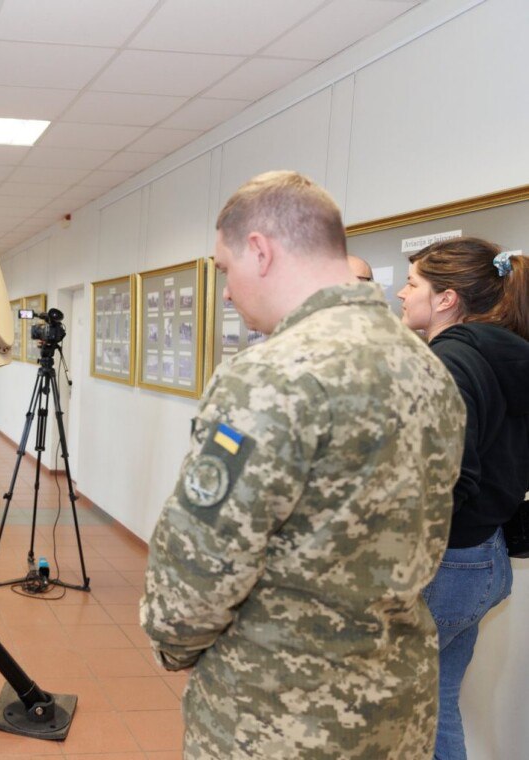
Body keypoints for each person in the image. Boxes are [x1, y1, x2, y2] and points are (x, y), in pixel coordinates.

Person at [141, 171, 467, 759]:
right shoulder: (426, 367)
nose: (228, 291)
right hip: (398, 707)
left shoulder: (271, 375)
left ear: (260, 250)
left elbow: (203, 555)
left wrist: (173, 642)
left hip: (279, 716)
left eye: (224, 269)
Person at [397, 238, 529, 760]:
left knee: (394, 713)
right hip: (485, 557)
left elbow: (447, 482)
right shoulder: (508, 354)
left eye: (412, 284)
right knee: (434, 703)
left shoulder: (449, 362)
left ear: (447, 299)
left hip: (446, 564)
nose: (402, 294)